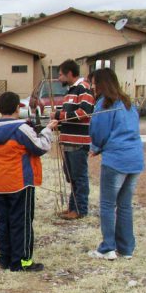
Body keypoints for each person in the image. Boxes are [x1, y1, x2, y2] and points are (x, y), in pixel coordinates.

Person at [0, 92, 58, 272]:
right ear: (18, 107)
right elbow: (40, 147)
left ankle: (5, 259)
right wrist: (48, 130)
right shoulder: (21, 129)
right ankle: (23, 261)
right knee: (22, 222)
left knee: (3, 222)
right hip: (20, 183)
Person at [87, 68, 145, 260]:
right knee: (125, 205)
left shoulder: (106, 104)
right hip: (135, 158)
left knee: (107, 204)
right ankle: (126, 249)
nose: (93, 86)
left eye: (94, 83)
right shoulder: (127, 102)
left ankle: (108, 248)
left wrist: (96, 146)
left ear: (101, 83)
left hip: (116, 159)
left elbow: (99, 130)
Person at [51, 59, 95, 219]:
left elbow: (84, 113)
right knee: (72, 177)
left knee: (79, 177)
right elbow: (66, 115)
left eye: (61, 74)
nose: (59, 78)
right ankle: (72, 207)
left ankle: (80, 210)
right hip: (68, 141)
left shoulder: (84, 89)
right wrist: (58, 121)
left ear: (70, 73)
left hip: (78, 142)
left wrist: (59, 115)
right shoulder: (70, 91)